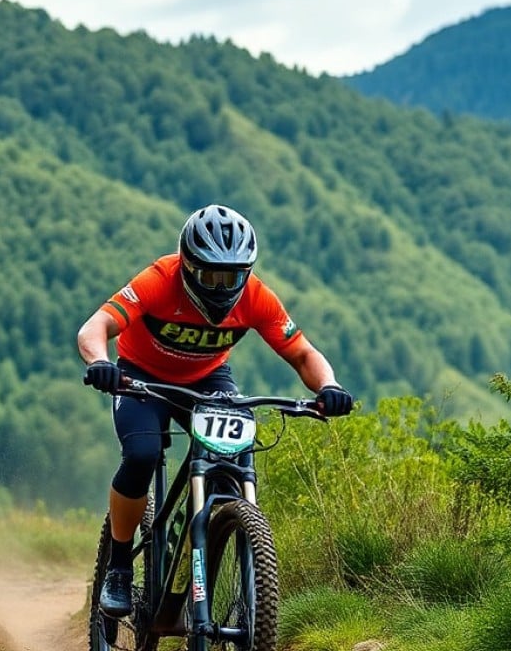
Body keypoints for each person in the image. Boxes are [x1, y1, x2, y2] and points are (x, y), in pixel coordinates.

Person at [76, 204, 353, 617]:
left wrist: (328, 386)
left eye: (234, 276)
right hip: (139, 377)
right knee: (142, 455)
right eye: (212, 275)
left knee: (233, 451)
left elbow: (303, 354)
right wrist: (101, 363)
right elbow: (95, 327)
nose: (223, 287)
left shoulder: (256, 296)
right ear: (187, 266)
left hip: (208, 379)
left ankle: (232, 551)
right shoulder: (158, 280)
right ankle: (119, 566)